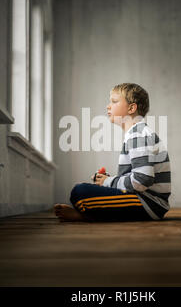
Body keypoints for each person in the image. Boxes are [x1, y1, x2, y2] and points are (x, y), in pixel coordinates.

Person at [54, 83, 171, 222]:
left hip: (149, 204)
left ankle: (84, 216)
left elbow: (143, 179)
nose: (108, 106)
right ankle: (89, 214)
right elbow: (137, 178)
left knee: (79, 191)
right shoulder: (136, 133)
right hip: (146, 200)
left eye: (114, 102)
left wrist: (108, 182)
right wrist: (107, 181)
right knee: (85, 190)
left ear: (131, 108)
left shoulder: (138, 135)